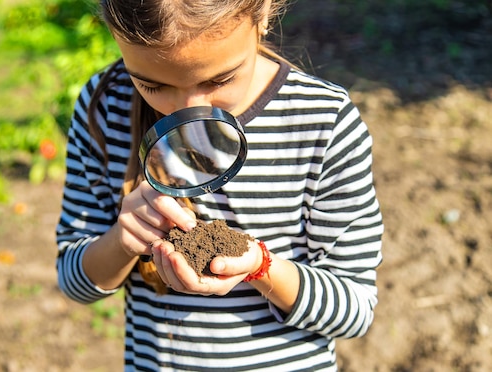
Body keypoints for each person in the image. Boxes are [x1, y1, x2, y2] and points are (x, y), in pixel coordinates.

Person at [56, 0, 384, 370]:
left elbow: (355, 310)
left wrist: (260, 266)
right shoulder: (106, 108)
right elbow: (73, 282)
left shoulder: (323, 121)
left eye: (219, 79)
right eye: (152, 85)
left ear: (262, 14)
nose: (188, 110)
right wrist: (122, 239)